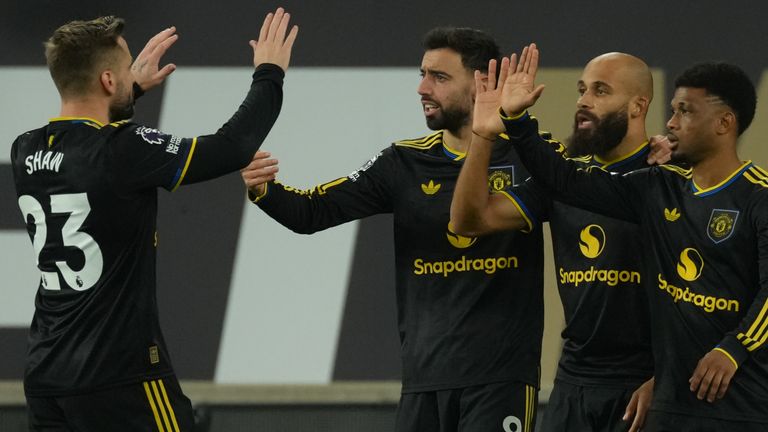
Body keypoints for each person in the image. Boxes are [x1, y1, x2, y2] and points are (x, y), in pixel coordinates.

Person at [242, 27, 543, 432]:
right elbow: (311, 212)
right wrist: (264, 189)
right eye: (422, 74)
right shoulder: (403, 162)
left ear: (481, 84)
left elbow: (594, 187)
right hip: (424, 379)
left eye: (439, 77)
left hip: (501, 379)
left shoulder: (532, 158)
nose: (422, 87)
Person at [11, 8, 297, 431]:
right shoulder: (122, 149)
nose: (132, 74)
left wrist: (129, 91)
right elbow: (233, 146)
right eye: (125, 69)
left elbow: (87, 147)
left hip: (47, 377)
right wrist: (270, 73)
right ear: (107, 80)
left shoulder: (25, 150)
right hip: (120, 375)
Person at [479, 44, 768, 431]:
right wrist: (517, 120)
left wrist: (734, 349)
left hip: (739, 403)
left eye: (686, 111)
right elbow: (567, 179)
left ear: (724, 123)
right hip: (667, 403)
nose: (671, 123)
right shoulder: (657, 188)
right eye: (673, 110)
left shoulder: (758, 197)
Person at [451, 52, 660, 432]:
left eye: (600, 90)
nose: (583, 100)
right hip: (574, 382)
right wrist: (483, 134)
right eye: (582, 89)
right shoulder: (565, 179)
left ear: (638, 105)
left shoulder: (668, 177)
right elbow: (468, 221)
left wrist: (668, 379)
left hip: (645, 384)